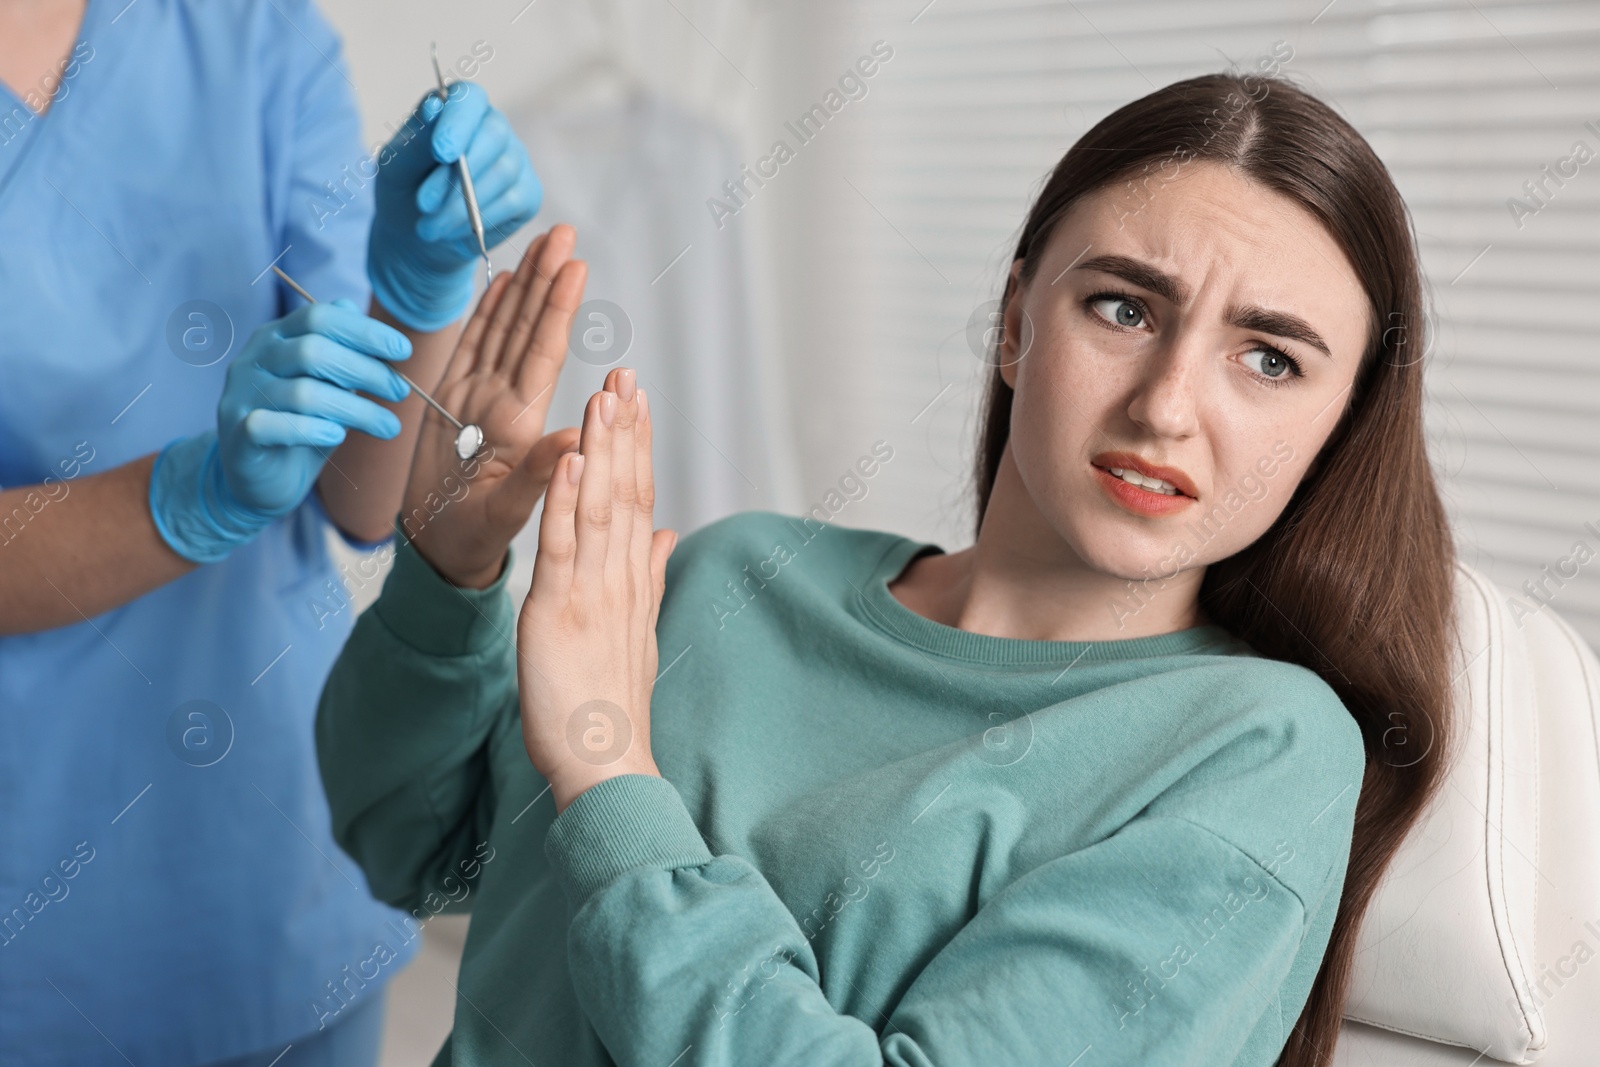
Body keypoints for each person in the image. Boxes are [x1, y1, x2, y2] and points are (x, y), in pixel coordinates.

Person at [316, 73, 1458, 1066]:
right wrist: (449, 563)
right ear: (1014, 325)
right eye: (1122, 306)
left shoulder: (1256, 748)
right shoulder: (735, 575)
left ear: (1337, 425)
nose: (1165, 405)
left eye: (1267, 358)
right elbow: (410, 847)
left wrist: (612, 772)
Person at [0, 1, 543, 1064]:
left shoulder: (253, 34)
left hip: (279, 881)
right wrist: (190, 496)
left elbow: (361, 497)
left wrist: (415, 285)